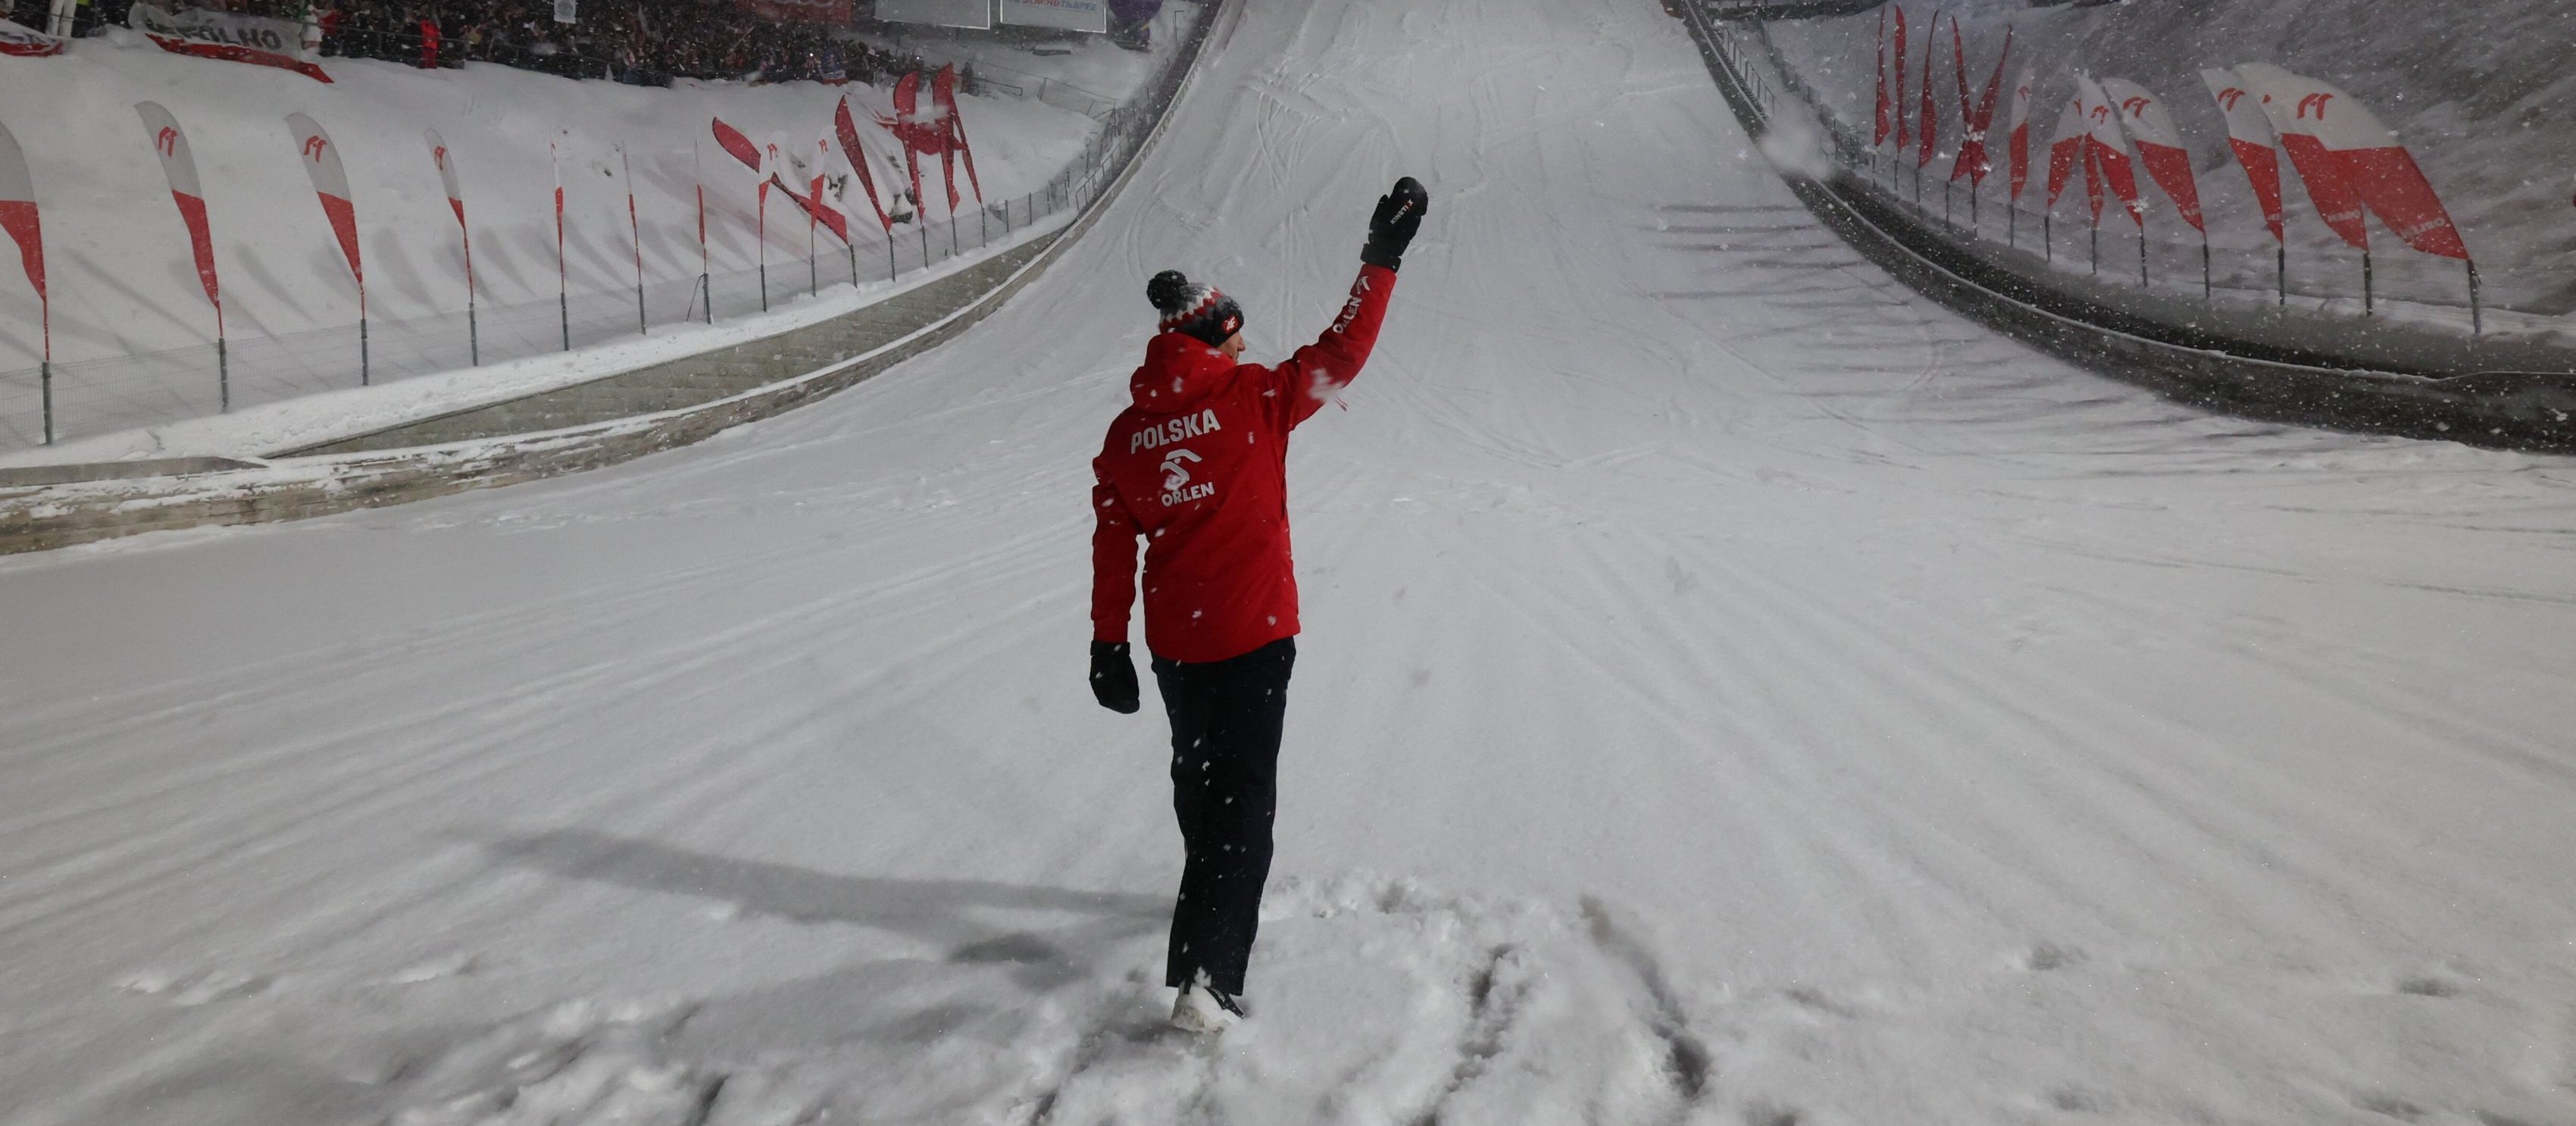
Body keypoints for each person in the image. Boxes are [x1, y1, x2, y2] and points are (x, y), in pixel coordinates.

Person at [1087, 177, 1428, 1034]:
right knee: (1242, 807)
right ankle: (1207, 979)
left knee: (1199, 785)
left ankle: (1208, 903)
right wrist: (1382, 258)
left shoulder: (1126, 437)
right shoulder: (1256, 400)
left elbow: (1112, 546)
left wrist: (1107, 644)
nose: (1245, 348)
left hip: (1176, 645)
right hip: (1253, 634)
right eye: (1236, 337)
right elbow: (1343, 352)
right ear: (1215, 342)